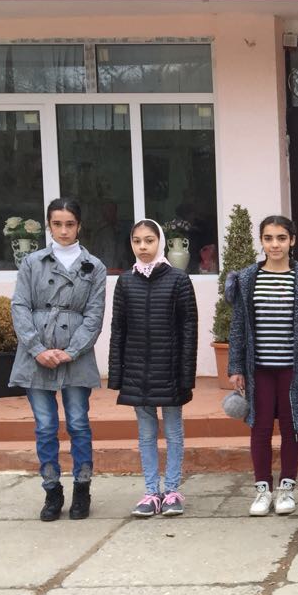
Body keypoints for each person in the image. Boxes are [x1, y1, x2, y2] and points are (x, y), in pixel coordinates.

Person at [226, 214, 298, 517]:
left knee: (291, 427)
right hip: (258, 369)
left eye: (281, 238)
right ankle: (262, 489)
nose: (275, 244)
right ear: (261, 241)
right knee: (259, 427)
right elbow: (238, 326)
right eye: (269, 238)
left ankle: (286, 489)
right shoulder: (247, 278)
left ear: (292, 241)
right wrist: (236, 366)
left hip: (293, 369)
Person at [10, 197, 108, 522]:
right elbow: (20, 306)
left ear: (79, 226)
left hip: (76, 357)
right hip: (35, 356)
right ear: (49, 226)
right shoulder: (32, 263)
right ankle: (52, 490)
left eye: (70, 224)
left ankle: (82, 488)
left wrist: (72, 350)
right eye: (57, 224)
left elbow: (94, 315)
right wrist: (37, 348)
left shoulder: (95, 266)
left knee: (78, 423)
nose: (64, 230)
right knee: (45, 426)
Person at [107, 220, 198, 517]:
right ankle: (150, 491)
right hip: (137, 371)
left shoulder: (178, 279)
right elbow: (118, 329)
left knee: (173, 432)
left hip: (169, 370)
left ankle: (171, 491)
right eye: (137, 241)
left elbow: (189, 329)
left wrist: (186, 374)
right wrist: (117, 374)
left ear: (160, 242)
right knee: (146, 434)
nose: (143, 247)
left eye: (149, 240)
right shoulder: (125, 282)